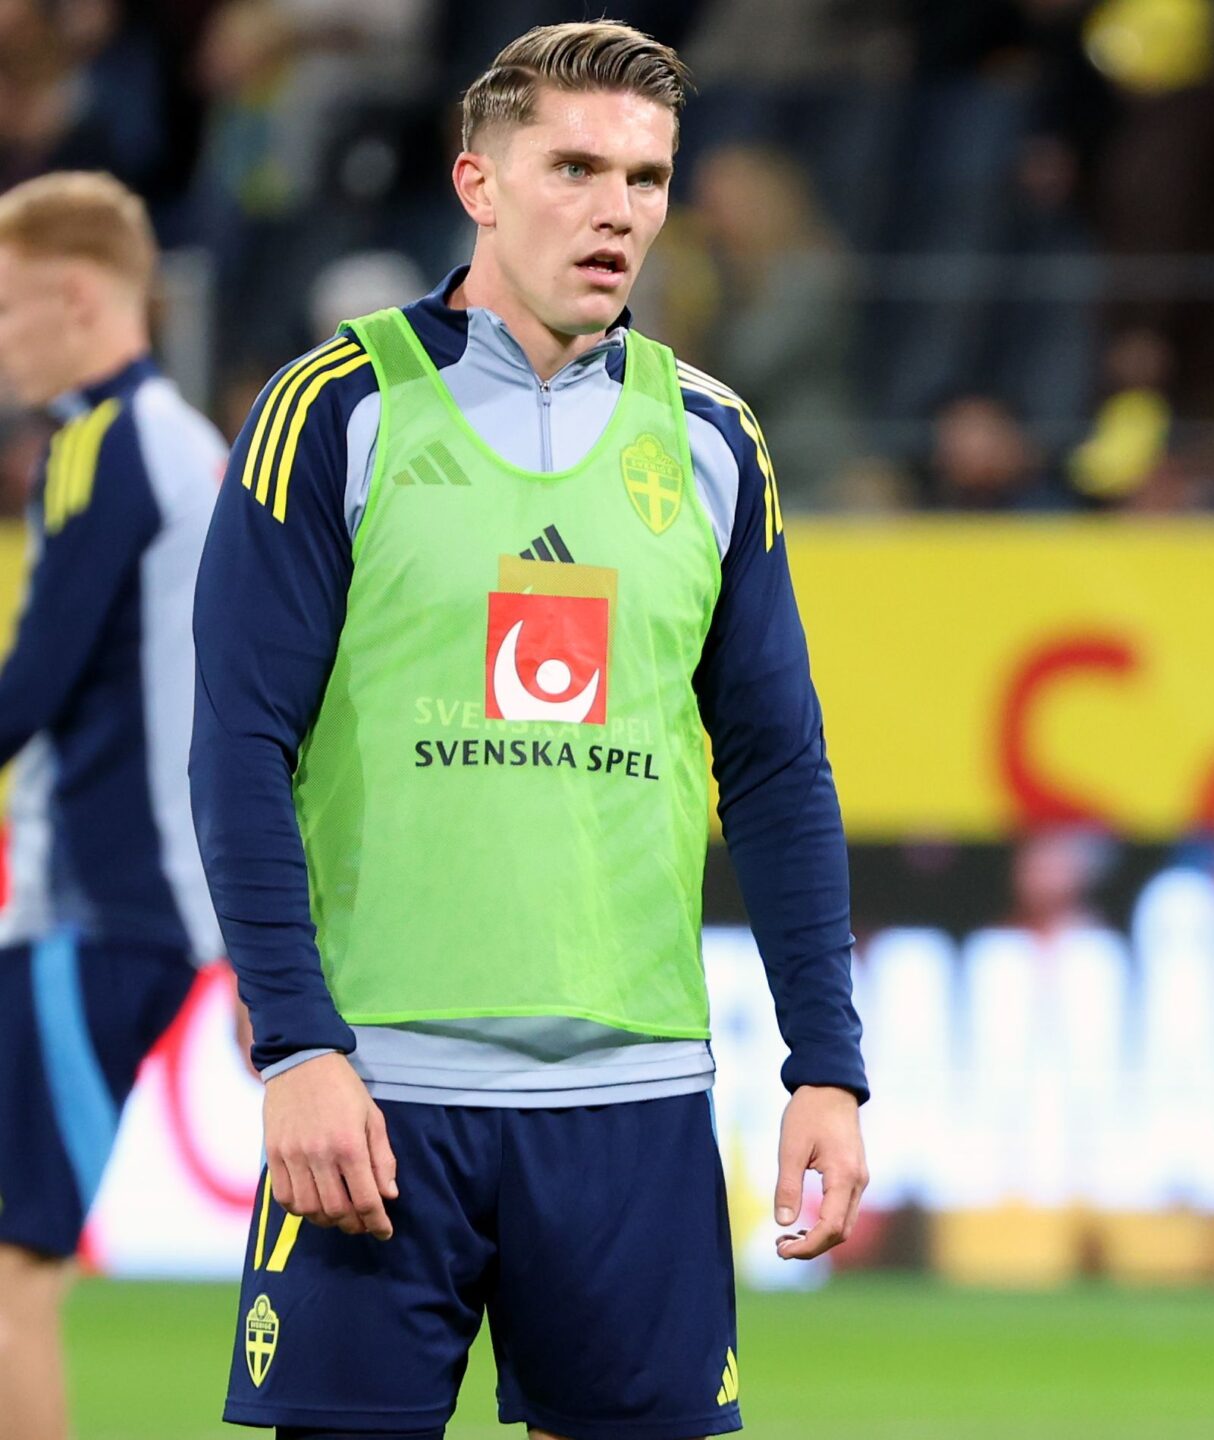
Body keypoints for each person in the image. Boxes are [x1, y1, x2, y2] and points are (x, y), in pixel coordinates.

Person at [191, 22, 870, 1438]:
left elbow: (777, 772)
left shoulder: (713, 440)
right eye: (573, 168)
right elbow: (240, 745)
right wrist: (296, 1048)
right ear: (479, 184)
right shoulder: (333, 410)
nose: (616, 209)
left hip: (634, 1102)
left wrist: (825, 1066)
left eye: (645, 177)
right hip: (379, 1095)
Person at [0, 168, 224, 1440]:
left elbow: (36, 679)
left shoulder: (103, 443)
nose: (0, 337)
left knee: (13, 1273)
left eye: (8, 305)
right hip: (126, 906)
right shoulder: (182, 444)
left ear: (79, 298)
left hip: (95, 906)